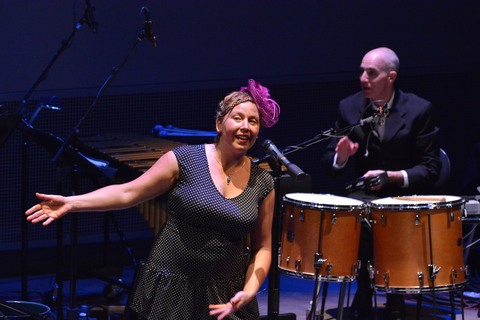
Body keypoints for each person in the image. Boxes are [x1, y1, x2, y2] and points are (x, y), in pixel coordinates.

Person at [25, 79, 281, 320]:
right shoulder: (184, 160)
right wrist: (72, 202)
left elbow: (263, 248)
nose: (245, 126)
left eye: (253, 121)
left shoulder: (263, 182)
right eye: (238, 118)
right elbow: (128, 192)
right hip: (170, 287)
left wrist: (249, 291)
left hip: (226, 295)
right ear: (219, 124)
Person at [322, 47, 441, 320]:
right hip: (365, 197)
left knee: (390, 217)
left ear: (391, 77)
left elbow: (431, 168)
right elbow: (329, 164)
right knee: (363, 217)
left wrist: (392, 176)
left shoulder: (419, 110)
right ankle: (364, 289)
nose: (363, 78)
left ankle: (394, 295)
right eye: (362, 71)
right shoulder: (349, 107)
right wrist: (340, 158)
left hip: (404, 196)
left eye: (371, 73)